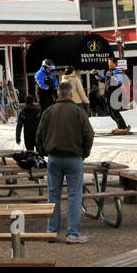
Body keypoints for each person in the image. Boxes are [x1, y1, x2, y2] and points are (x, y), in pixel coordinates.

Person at [35, 83, 94, 244]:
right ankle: (73, 233)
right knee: (74, 195)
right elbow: (89, 134)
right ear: (71, 94)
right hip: (74, 158)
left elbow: (39, 134)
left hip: (53, 158)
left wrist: (43, 151)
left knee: (53, 194)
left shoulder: (49, 111)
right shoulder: (78, 112)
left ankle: (52, 232)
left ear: (57, 95)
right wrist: (84, 153)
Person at [103, 59, 131, 132]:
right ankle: (120, 126)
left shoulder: (119, 72)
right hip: (108, 94)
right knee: (110, 112)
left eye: (111, 63)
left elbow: (119, 82)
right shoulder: (109, 72)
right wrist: (96, 75)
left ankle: (123, 127)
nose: (109, 65)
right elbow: (104, 79)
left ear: (115, 63)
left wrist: (113, 76)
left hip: (115, 95)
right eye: (108, 63)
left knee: (115, 112)